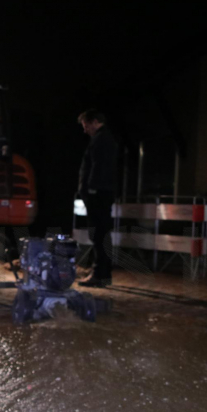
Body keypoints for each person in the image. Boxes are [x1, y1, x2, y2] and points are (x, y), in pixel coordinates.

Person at [77, 109, 118, 287]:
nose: (85, 130)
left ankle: (99, 274)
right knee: (101, 233)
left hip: (98, 194)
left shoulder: (101, 140)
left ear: (94, 122)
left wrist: (91, 189)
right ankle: (102, 273)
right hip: (102, 192)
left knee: (98, 233)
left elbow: (98, 166)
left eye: (86, 125)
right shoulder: (105, 139)